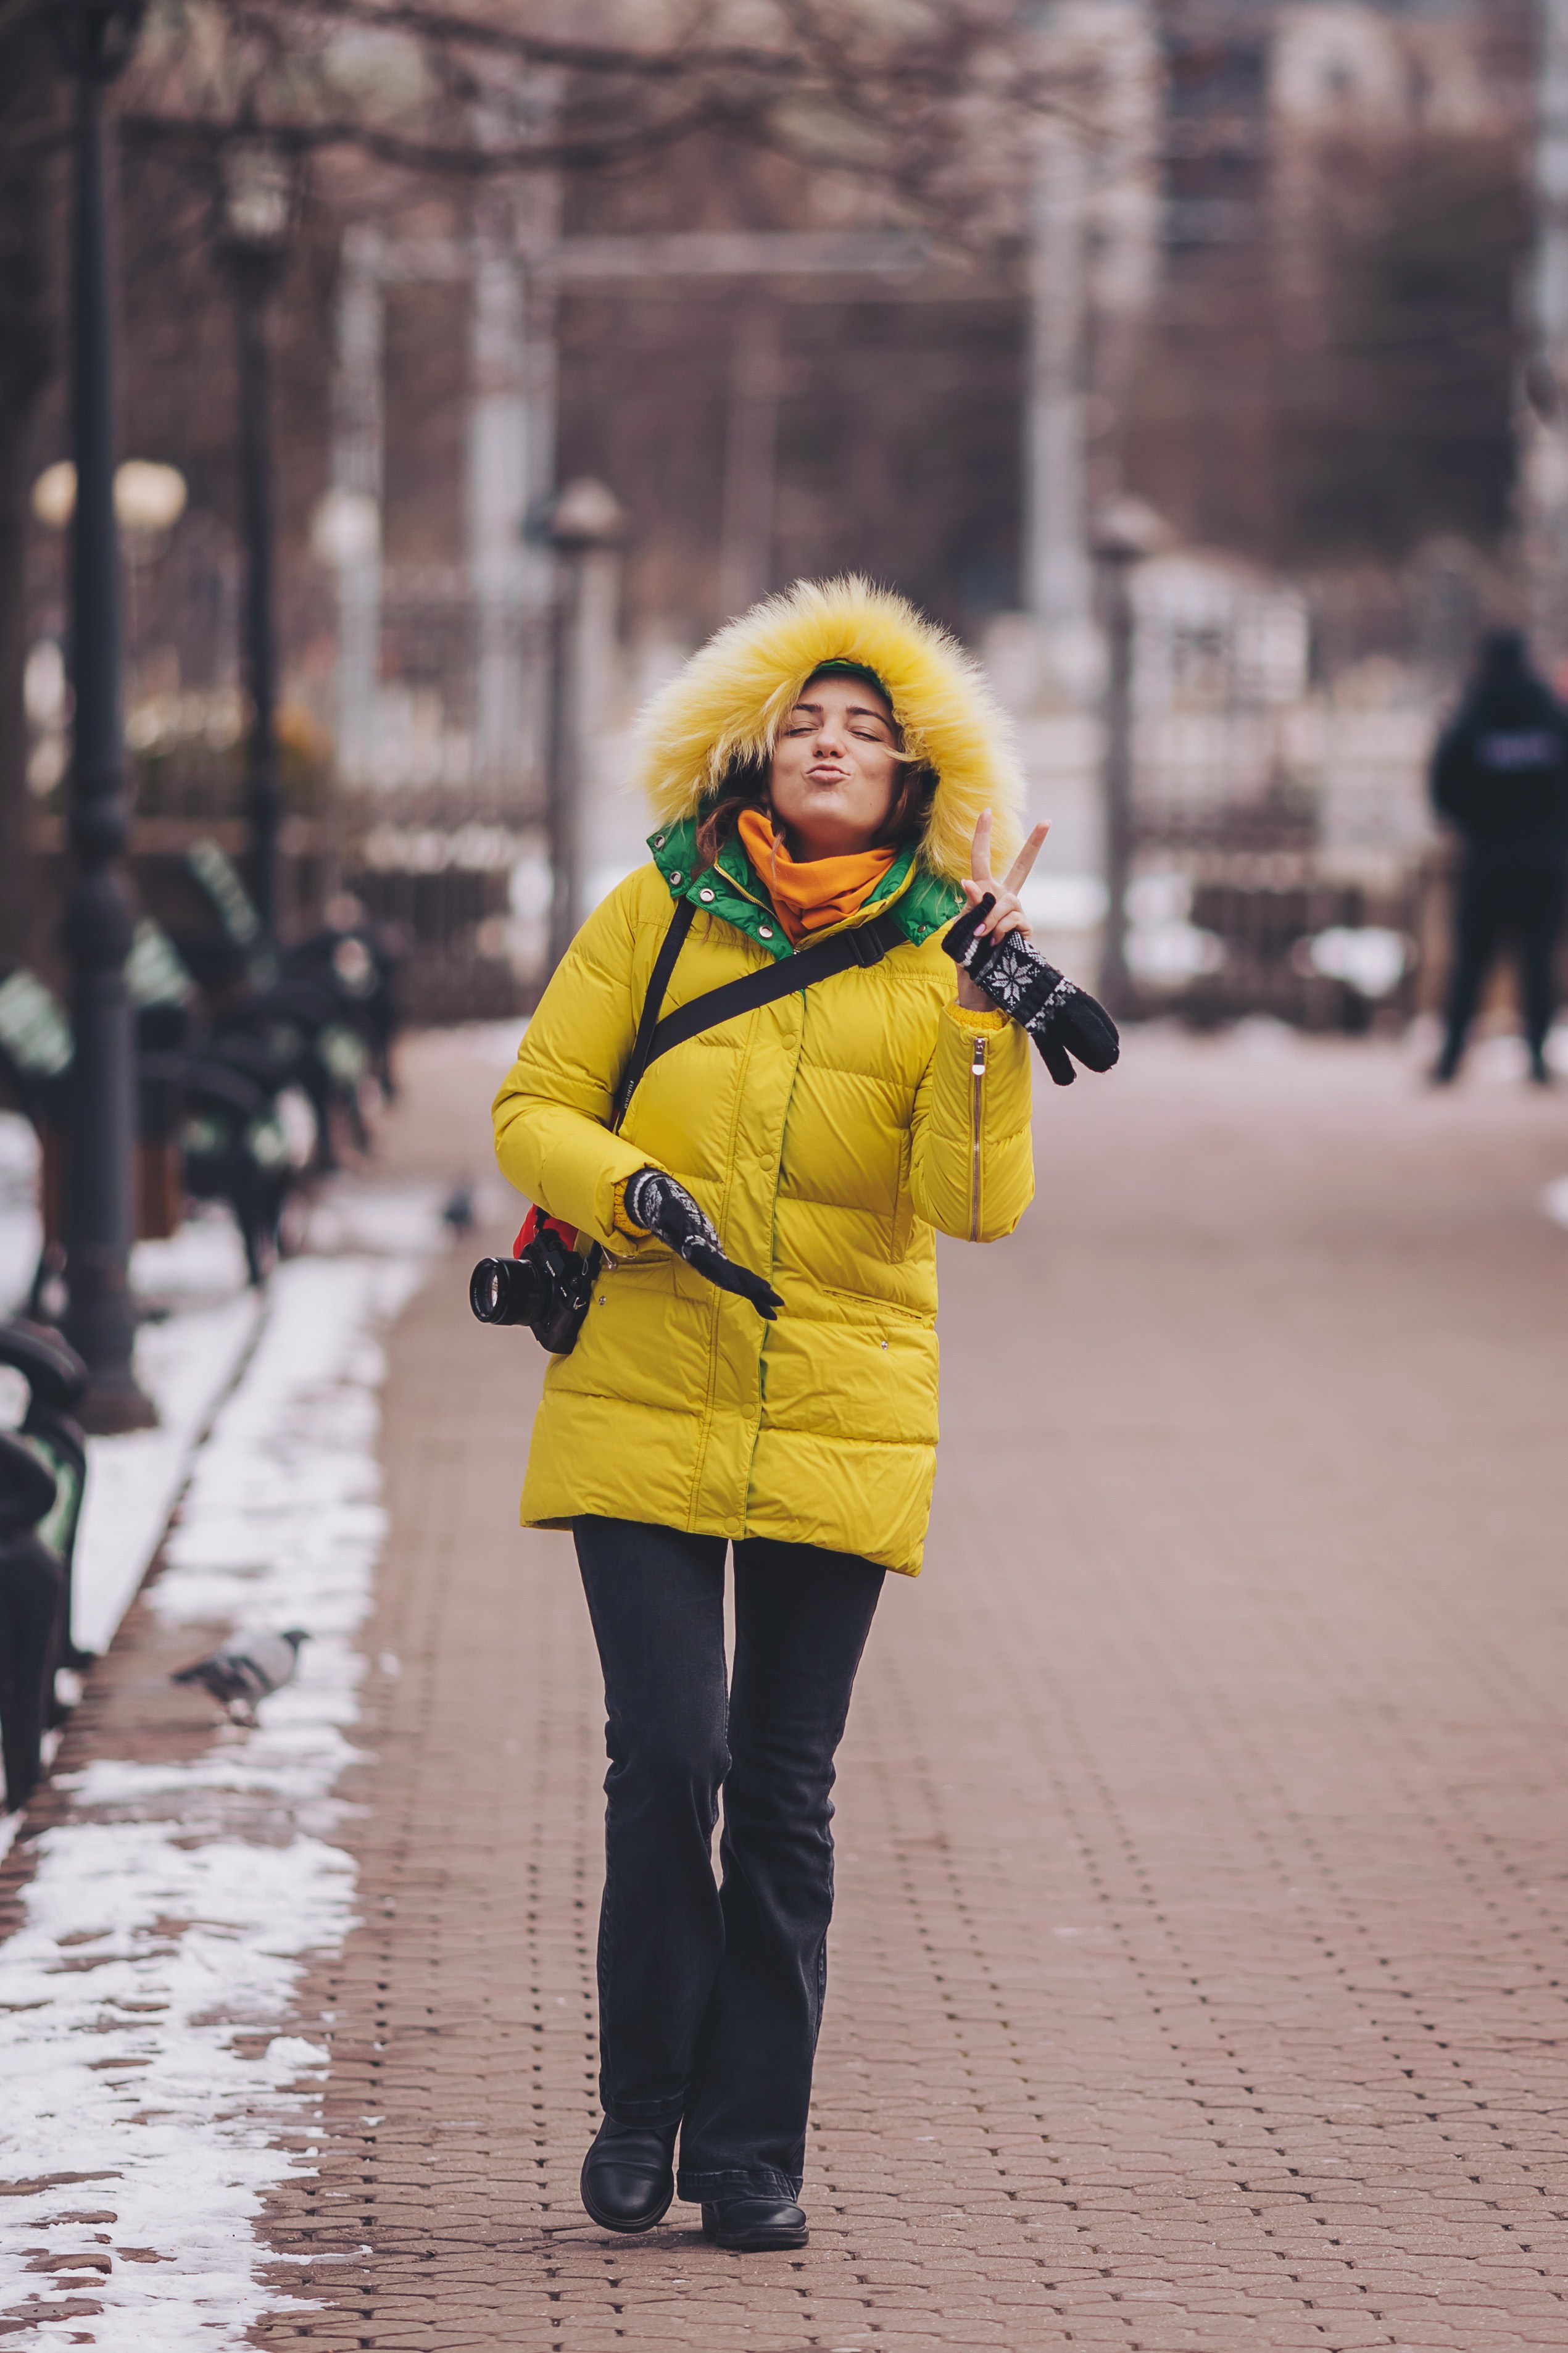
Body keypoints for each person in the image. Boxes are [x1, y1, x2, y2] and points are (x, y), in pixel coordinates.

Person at [491, 577, 1056, 2255]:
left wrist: (981, 1018)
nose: (831, 743)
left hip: (839, 1399)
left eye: (867, 730)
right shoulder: (654, 911)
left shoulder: (939, 963)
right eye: (805, 721)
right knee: (667, 1757)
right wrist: (631, 1182)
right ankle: (637, 2107)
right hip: (643, 1382)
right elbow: (532, 1108)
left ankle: (749, 2148)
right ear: (750, 752)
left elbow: (975, 1206)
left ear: (915, 783)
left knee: (785, 1790)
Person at [1430, 628, 1568, 1085]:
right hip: (1544, 859)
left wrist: (1472, 824)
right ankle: (1536, 1061)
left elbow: (1442, 782)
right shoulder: (1550, 715)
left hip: (1484, 858)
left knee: (1470, 963)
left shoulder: (1474, 714)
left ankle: (1451, 1059)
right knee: (1538, 963)